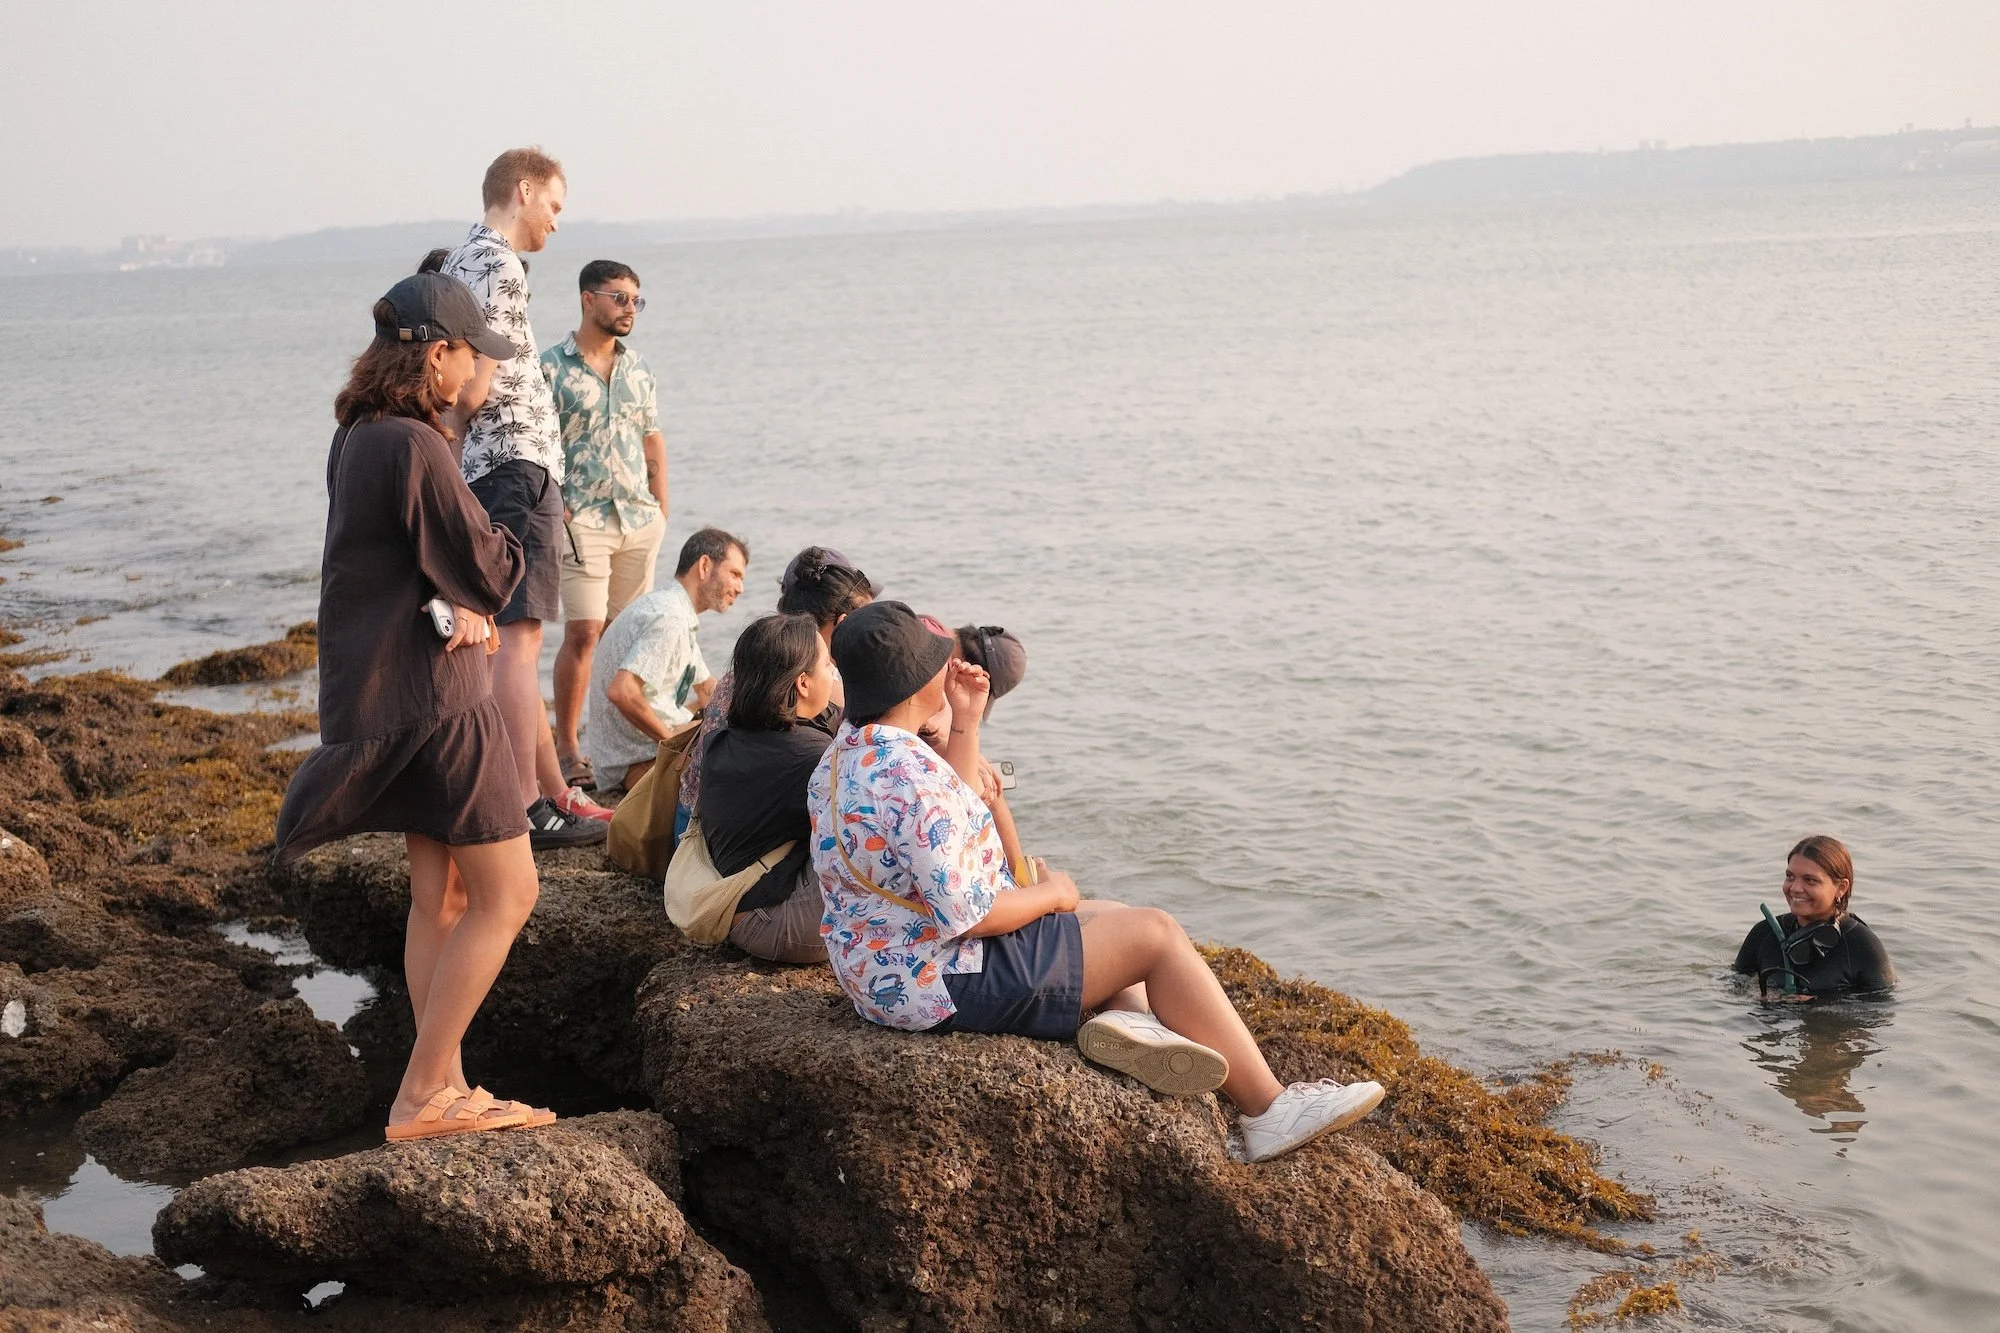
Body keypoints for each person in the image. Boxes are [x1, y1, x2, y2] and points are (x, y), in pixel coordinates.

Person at [809, 601, 1385, 1163]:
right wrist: (1052, 895)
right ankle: (1267, 1112)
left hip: (881, 968)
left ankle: (1130, 1021)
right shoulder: (911, 775)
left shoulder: (842, 759)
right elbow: (973, 915)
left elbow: (946, 825)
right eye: (936, 662)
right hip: (941, 980)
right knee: (1155, 933)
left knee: (1111, 913)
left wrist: (966, 721)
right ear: (915, 688)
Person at [274, 274, 551, 1141]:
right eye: (476, 356)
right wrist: (524, 505)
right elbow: (493, 570)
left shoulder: (358, 437)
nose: (485, 375)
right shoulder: (418, 447)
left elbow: (408, 570)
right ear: (438, 354)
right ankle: (424, 1091)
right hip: (442, 704)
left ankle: (446, 1081)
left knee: (442, 896)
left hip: (390, 689)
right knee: (512, 893)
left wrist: (459, 604)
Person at [439, 147, 605, 849]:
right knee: (518, 638)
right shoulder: (502, 264)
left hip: (487, 464)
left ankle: (540, 793)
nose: (556, 223)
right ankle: (528, 806)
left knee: (502, 637)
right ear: (525, 190)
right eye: (555, 206)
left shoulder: (455, 262)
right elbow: (476, 382)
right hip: (516, 459)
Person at [544, 260, 669, 791]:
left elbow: (651, 437)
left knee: (625, 634)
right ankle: (567, 746)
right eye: (619, 298)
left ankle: (614, 744)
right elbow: (537, 446)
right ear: (586, 299)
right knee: (584, 631)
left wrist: (661, 505)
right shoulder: (550, 368)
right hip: (582, 520)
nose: (629, 309)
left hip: (638, 519)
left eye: (636, 301)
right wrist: (556, 507)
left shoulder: (638, 368)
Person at [679, 546, 878, 823]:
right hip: (723, 835)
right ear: (843, 622)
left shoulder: (762, 652)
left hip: (692, 817)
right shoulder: (821, 680)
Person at [695, 613, 838, 963]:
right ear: (803, 684)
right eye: (826, 663)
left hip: (733, 907)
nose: (833, 669)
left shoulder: (722, 739)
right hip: (774, 923)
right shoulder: (811, 755)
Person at [586, 527, 747, 793]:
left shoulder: (675, 610)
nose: (740, 588)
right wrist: (671, 742)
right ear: (705, 566)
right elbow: (622, 691)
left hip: (638, 752)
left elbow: (708, 689)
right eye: (735, 574)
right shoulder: (668, 617)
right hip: (635, 762)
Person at [1734, 835, 1895, 998]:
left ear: (1841, 887)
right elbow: (1731, 988)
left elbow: (1880, 1013)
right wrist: (1756, 997)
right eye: (1790, 877)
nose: (1795, 888)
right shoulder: (1764, 933)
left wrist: (1815, 1005)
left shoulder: (1863, 945)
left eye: (1810, 880)